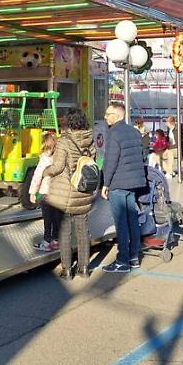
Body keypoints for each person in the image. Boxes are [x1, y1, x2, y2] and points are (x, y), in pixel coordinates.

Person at [44, 110, 95, 279]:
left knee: (65, 232)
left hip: (65, 192)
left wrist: (46, 171)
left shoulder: (64, 141)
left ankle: (67, 270)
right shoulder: (90, 139)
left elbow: (58, 167)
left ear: (69, 122)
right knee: (83, 231)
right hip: (83, 189)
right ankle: (84, 268)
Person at [100, 102, 147, 273]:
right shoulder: (134, 132)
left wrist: (105, 184)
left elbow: (110, 160)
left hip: (118, 184)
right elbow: (142, 155)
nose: (105, 117)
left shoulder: (114, 133)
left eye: (108, 114)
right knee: (132, 221)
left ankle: (122, 260)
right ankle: (134, 257)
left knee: (121, 224)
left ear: (118, 116)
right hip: (134, 183)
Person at [29, 132, 61, 252]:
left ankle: (47, 242)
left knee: (47, 219)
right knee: (57, 218)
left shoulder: (44, 159)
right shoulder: (60, 158)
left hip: (46, 193)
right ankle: (56, 240)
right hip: (58, 193)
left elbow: (37, 176)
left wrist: (32, 192)